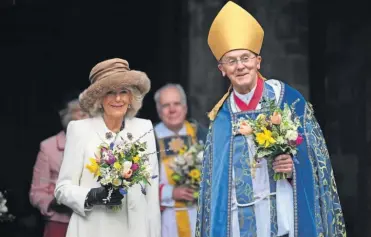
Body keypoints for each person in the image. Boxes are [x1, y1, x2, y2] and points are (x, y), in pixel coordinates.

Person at [196, 2, 346, 237]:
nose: (240, 66)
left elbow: (317, 166)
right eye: (231, 61)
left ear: (258, 61)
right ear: (221, 69)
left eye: (245, 58)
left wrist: (292, 168)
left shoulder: (287, 100)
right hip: (238, 224)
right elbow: (213, 190)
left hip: (284, 218)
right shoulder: (222, 118)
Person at [54, 58, 161, 237]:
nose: (118, 99)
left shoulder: (144, 128)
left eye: (124, 91)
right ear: (99, 98)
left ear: (131, 96)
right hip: (93, 229)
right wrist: (92, 196)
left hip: (135, 230)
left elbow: (151, 195)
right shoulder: (79, 130)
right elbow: (62, 189)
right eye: (110, 92)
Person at [29, 91, 88, 237]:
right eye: (81, 112)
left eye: (90, 112)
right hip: (60, 225)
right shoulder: (48, 147)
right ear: (64, 116)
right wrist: (54, 203)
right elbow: (36, 193)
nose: (87, 117)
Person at [153, 83, 207, 237]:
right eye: (166, 105)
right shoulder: (148, 138)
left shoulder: (202, 134)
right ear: (158, 110)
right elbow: (139, 184)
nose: (172, 110)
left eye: (177, 104)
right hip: (165, 221)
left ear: (185, 107)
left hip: (199, 217)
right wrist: (171, 192)